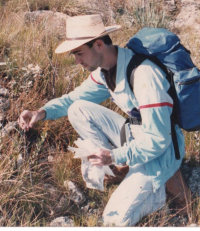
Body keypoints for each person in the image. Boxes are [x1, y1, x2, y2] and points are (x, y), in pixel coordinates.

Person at [18, 14, 186, 226]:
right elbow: (73, 99)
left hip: (161, 149)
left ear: (98, 45)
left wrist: (115, 155)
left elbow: (158, 139)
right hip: (134, 136)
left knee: (113, 221)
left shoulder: (144, 75)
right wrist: (40, 112)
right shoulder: (105, 72)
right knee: (78, 109)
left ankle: (157, 195)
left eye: (79, 53)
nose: (77, 61)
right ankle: (120, 169)